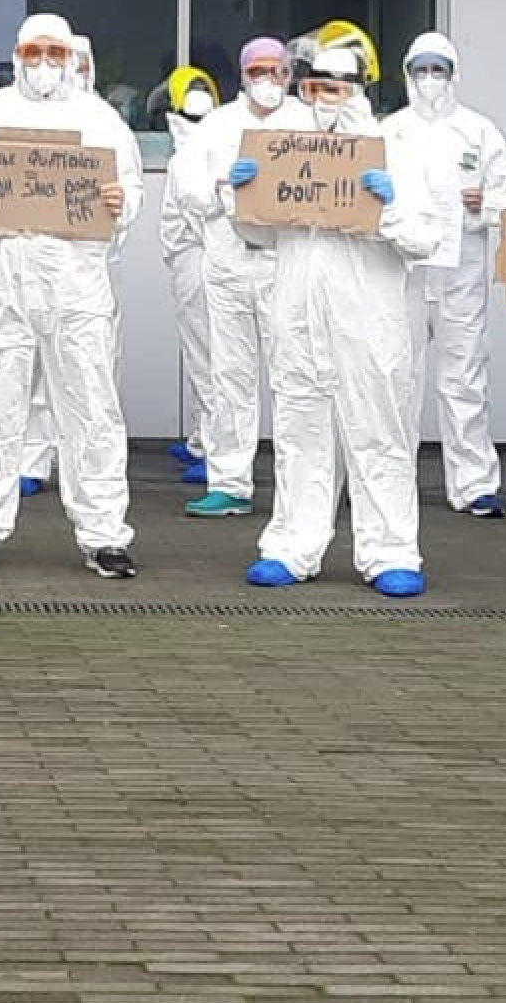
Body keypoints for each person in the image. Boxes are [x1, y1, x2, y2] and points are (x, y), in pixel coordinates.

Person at [228, 44, 440, 595]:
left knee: (379, 434)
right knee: (300, 435)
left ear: (362, 89)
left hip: (369, 321)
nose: (329, 99)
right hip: (298, 317)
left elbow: (424, 236)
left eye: (341, 88)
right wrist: (244, 193)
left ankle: (392, 550)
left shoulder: (393, 147)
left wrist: (386, 206)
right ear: (304, 88)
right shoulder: (283, 150)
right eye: (319, 88)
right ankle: (292, 545)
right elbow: (257, 235)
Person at [0, 13, 142, 578]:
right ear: (17, 54)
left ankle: (105, 533)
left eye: (55, 52)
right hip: (2, 281)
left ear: (72, 56)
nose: (45, 63)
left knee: (91, 410)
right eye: (34, 52)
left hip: (77, 284)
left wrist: (117, 202)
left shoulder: (97, 117)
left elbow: (129, 192)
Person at [382, 31, 506, 517]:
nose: (429, 80)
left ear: (453, 74)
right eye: (420, 70)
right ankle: (392, 478)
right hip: (404, 269)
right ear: (406, 75)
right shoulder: (391, 131)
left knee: (465, 375)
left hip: (462, 268)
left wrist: (487, 205)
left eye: (437, 70)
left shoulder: (479, 131)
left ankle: (473, 483)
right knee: (400, 373)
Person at [170, 39, 293, 518]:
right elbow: (186, 188)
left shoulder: (305, 124)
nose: (268, 79)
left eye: (276, 70)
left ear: (289, 73)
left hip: (288, 264)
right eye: (258, 70)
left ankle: (299, 484)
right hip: (228, 262)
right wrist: (223, 188)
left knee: (296, 379)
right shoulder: (217, 126)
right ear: (242, 76)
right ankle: (230, 482)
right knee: (230, 376)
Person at [159, 66, 221, 484]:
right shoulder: (190, 154)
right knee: (200, 353)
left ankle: (217, 454)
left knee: (210, 359)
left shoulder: (198, 155)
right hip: (189, 260)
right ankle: (202, 439)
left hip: (203, 262)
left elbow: (204, 215)